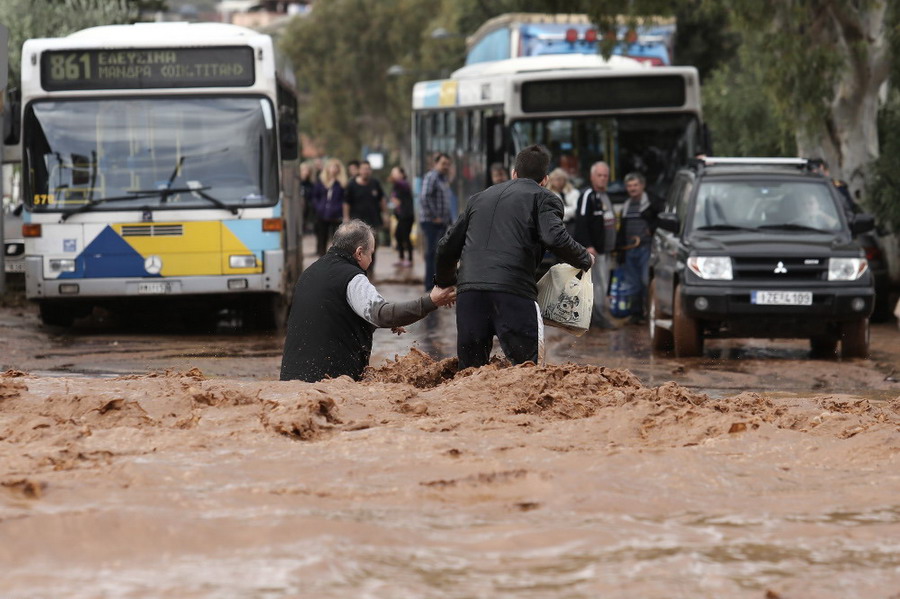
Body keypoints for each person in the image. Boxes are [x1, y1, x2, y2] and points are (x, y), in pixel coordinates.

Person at [435, 144, 593, 370]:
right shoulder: (544, 198)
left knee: (469, 375)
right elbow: (555, 238)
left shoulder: (478, 198)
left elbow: (445, 247)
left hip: (470, 296)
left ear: (513, 174)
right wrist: (584, 258)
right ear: (545, 179)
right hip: (514, 294)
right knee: (528, 374)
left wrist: (444, 283)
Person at [280, 220, 456, 382]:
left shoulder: (309, 273)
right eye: (371, 254)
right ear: (359, 253)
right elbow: (383, 315)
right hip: (329, 382)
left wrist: (374, 322)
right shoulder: (353, 278)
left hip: (291, 380)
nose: (371, 260)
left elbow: (334, 314)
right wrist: (431, 301)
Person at [573, 162, 618, 329]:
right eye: (599, 175)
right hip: (594, 250)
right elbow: (582, 221)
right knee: (596, 285)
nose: (603, 179)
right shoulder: (588, 195)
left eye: (605, 175)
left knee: (603, 284)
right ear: (592, 177)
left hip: (605, 249)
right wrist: (587, 245)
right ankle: (596, 318)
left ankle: (599, 315)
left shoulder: (605, 196)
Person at [617, 172, 664, 324]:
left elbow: (662, 220)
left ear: (642, 186)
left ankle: (649, 312)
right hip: (629, 249)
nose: (632, 188)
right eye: (629, 186)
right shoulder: (626, 205)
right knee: (633, 283)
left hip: (646, 248)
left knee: (646, 280)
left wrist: (652, 228)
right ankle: (636, 313)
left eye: (635, 185)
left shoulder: (653, 203)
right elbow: (622, 229)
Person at [343, 160, 386, 274]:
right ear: (359, 170)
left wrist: (385, 214)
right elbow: (346, 202)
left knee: (373, 246)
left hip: (373, 220)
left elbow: (382, 200)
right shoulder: (352, 184)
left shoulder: (375, 183)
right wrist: (346, 217)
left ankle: (370, 270)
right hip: (357, 222)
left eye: (368, 169)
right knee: (357, 246)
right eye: (363, 169)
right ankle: (357, 270)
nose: (365, 171)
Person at [420, 152, 452, 291]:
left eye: (447, 164)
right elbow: (425, 198)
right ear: (436, 163)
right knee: (432, 254)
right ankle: (429, 285)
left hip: (441, 223)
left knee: (439, 254)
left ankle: (436, 283)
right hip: (431, 223)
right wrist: (434, 217)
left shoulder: (443, 179)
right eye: (443, 163)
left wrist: (448, 219)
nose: (446, 166)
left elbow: (445, 200)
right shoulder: (431, 177)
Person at [311, 158, 346, 257]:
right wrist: (318, 207)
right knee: (322, 238)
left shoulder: (341, 183)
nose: (333, 169)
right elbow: (315, 196)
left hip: (336, 214)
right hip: (322, 214)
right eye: (332, 166)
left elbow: (344, 198)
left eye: (336, 167)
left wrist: (339, 209)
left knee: (336, 238)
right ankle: (322, 257)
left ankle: (336, 258)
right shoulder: (321, 181)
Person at [389, 165, 414, 267]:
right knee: (398, 235)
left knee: (405, 236)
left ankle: (410, 259)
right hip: (401, 216)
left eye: (395, 172)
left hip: (407, 215)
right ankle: (401, 258)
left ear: (402, 174)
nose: (393, 175)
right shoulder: (397, 186)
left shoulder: (403, 184)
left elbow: (401, 185)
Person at [546, 167, 580, 235]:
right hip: (556, 228)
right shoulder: (548, 194)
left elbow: (576, 209)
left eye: (560, 179)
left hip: (573, 226)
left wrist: (564, 212)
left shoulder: (574, 192)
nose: (558, 182)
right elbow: (555, 212)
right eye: (556, 179)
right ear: (551, 180)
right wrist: (569, 210)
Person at [297, 161, 316, 235]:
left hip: (307, 210)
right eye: (304, 170)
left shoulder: (311, 184)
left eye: (308, 170)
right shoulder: (296, 183)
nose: (306, 172)